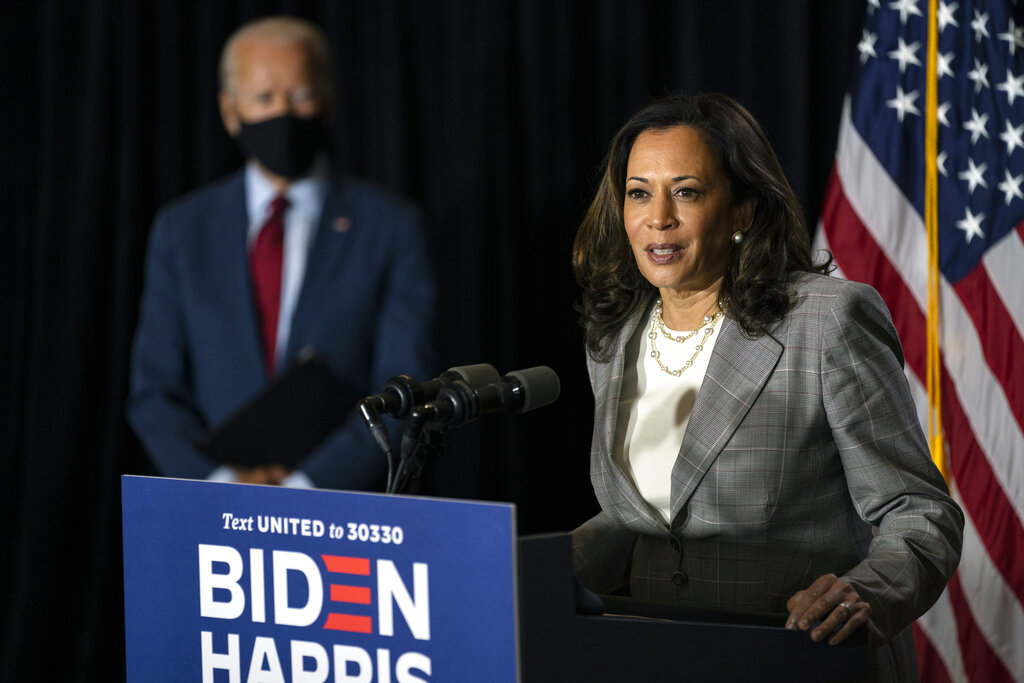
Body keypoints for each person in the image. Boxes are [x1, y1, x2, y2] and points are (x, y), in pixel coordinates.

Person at [570, 92, 963, 681]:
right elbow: (646, 518)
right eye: (638, 192)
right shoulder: (615, 335)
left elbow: (921, 512)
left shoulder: (827, 322)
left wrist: (869, 594)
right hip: (654, 658)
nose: (659, 217)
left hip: (797, 659)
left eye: (687, 191)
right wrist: (528, 574)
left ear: (743, 211)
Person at [128, 16, 436, 490]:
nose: (283, 114)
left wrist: (305, 487)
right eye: (264, 98)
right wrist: (224, 481)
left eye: (300, 96)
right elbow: (153, 392)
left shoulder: (392, 227)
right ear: (231, 112)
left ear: (328, 104)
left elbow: (406, 387)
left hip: (342, 507)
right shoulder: (181, 230)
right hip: (212, 510)